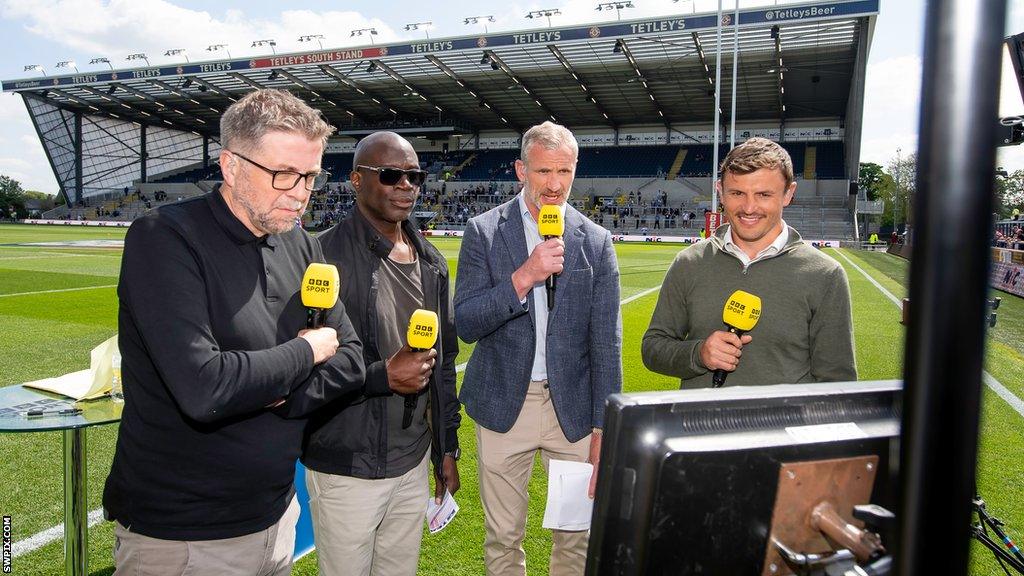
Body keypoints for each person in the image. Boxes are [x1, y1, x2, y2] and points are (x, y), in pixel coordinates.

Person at [103, 89, 370, 576]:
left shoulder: (302, 246)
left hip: (276, 516)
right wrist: (306, 351)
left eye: (310, 176)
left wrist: (273, 393)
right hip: (184, 536)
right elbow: (205, 388)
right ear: (230, 165)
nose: (300, 192)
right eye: (283, 174)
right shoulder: (164, 238)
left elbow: (351, 359)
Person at [454, 121, 623, 576]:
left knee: (575, 537)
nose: (554, 184)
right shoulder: (484, 231)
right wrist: (523, 278)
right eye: (543, 170)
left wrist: (603, 428)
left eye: (564, 171)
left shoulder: (596, 241)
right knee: (504, 538)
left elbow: (607, 344)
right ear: (520, 170)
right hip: (505, 404)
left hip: (573, 412)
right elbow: (466, 323)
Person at [305, 131, 461, 576]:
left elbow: (444, 363)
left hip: (411, 461)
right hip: (347, 466)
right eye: (391, 174)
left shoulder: (431, 261)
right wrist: (381, 376)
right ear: (356, 179)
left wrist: (446, 448)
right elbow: (303, 365)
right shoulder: (320, 256)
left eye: (414, 175)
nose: (406, 185)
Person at [641, 137, 856, 389]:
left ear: (789, 194)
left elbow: (837, 383)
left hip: (781, 427)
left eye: (764, 194)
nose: (749, 207)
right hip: (699, 426)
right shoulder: (689, 262)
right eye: (737, 193)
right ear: (720, 191)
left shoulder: (824, 274)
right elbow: (653, 348)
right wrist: (698, 354)